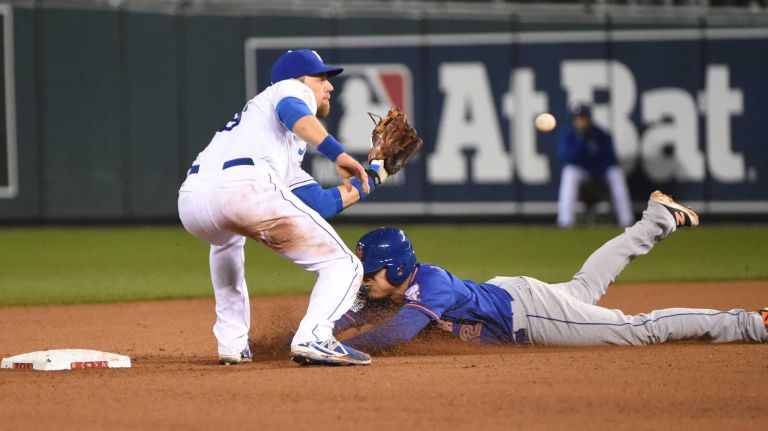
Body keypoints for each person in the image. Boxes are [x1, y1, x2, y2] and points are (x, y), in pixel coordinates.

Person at [334, 191, 768, 354]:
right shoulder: (385, 290)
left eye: (370, 272)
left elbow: (393, 336)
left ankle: (752, 323)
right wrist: (319, 336)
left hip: (529, 314)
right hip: (513, 297)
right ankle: (657, 219)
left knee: (637, 330)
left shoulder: (429, 284)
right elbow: (349, 316)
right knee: (583, 287)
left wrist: (344, 353)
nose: (364, 280)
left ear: (395, 268)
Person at [178, 49, 392, 367]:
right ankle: (315, 337)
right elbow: (294, 110)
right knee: (344, 265)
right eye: (321, 78)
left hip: (193, 202)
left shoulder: (267, 138)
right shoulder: (287, 89)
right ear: (299, 79)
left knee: (226, 242)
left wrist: (377, 175)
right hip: (245, 187)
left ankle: (232, 343)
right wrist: (338, 154)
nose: (329, 86)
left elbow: (318, 204)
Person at [556, 104, 634, 228]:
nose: (581, 121)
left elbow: (611, 159)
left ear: (589, 118)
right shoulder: (569, 135)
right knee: (569, 172)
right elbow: (568, 158)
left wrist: (598, 171)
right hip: (581, 171)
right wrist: (580, 140)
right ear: (573, 120)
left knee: (616, 174)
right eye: (578, 118)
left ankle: (626, 220)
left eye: (584, 117)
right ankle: (565, 221)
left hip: (600, 171)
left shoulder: (600, 134)